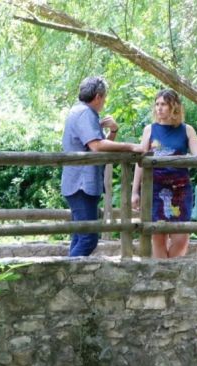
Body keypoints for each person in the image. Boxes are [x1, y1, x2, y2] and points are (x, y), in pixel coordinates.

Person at [61, 76, 143, 257]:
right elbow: (97, 146)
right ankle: (67, 277)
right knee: (88, 239)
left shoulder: (78, 111)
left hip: (78, 183)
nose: (104, 102)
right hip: (81, 184)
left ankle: (69, 277)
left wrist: (113, 131)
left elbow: (98, 147)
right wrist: (131, 146)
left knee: (80, 237)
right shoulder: (85, 114)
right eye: (104, 98)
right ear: (98, 96)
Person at [131, 89, 197, 259]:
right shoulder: (149, 130)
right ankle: (163, 276)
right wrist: (135, 191)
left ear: (174, 107)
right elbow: (140, 163)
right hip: (154, 189)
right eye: (157, 104)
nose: (159, 108)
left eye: (163, 104)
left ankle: (170, 271)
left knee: (182, 237)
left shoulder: (187, 130)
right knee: (158, 236)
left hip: (181, 189)